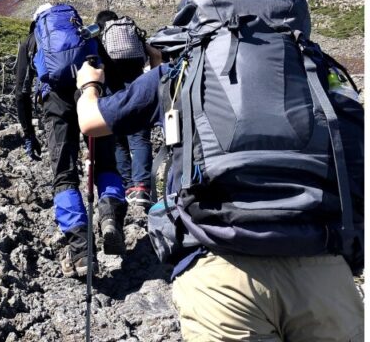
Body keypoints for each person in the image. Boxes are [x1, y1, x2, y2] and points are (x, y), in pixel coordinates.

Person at [75, 29, 363, 341]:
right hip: (323, 267)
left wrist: (89, 84)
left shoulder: (180, 70)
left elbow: (91, 121)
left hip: (218, 269)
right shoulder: (317, 69)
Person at [14, 3, 126, 278]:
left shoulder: (31, 40)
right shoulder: (84, 34)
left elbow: (20, 92)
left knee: (64, 176)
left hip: (54, 103)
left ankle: (80, 251)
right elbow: (112, 73)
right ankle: (110, 215)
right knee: (107, 165)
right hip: (91, 94)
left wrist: (29, 133)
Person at [94, 10, 153, 208]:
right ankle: (142, 188)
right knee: (140, 138)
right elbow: (150, 56)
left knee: (117, 140)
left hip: (113, 93)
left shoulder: (101, 39)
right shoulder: (131, 35)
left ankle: (127, 186)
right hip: (138, 89)